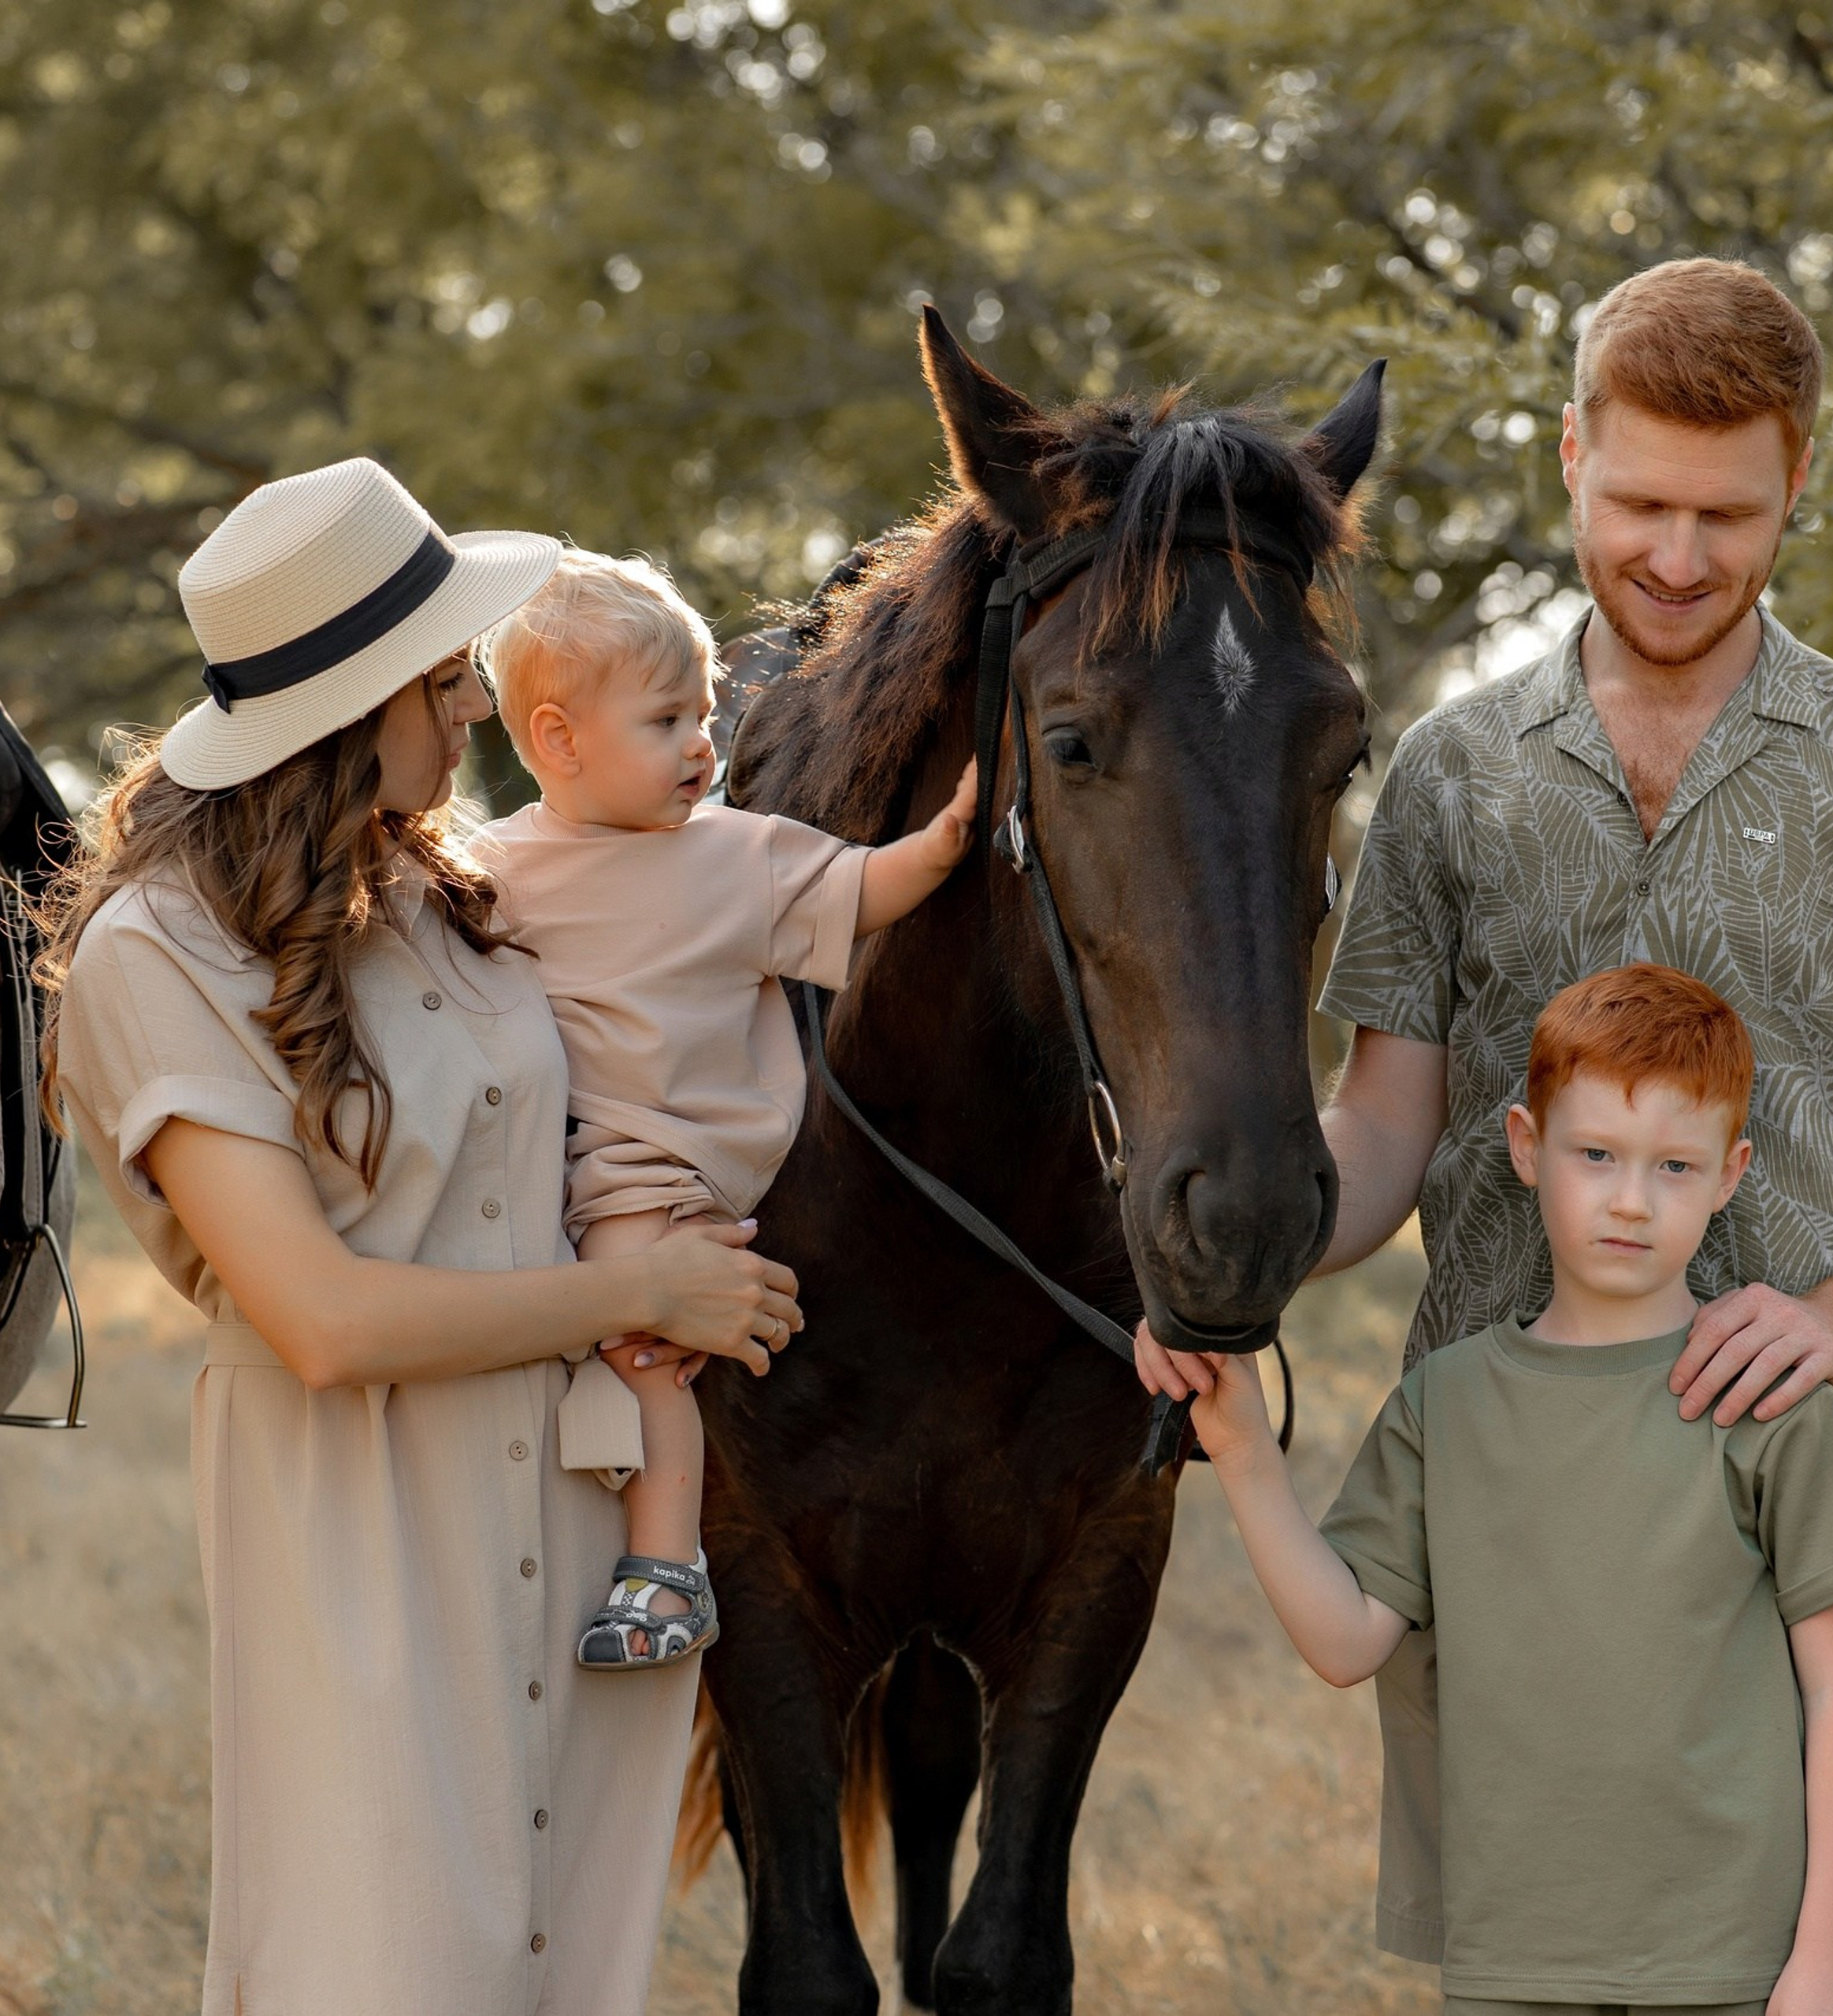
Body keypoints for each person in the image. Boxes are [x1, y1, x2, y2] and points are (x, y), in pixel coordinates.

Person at [39, 458, 804, 2016]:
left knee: (565, 1965)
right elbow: (320, 1316)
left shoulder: (449, 889)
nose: (470, 711)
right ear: (354, 697)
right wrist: (643, 1284)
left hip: (584, 1524)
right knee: (385, 1961)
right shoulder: (155, 950)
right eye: (448, 676)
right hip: (367, 1533)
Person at [1143, 255, 1833, 1963]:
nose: (1677, 557)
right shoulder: (1450, 772)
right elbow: (1384, 1128)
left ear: (1796, 482)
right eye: (1641, 502)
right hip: (1509, 1501)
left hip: (1800, 1486)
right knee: (1534, 1955)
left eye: (1726, 515)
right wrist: (1225, 1247)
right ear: (1567, 458)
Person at [1158, 965, 1833, 2016]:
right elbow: (1346, 1644)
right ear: (1527, 1146)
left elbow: (1832, 1690)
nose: (1628, 1199)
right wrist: (1247, 1458)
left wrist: (1819, 1963)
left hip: (1733, 1965)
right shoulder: (1446, 1406)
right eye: (1596, 1153)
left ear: (1731, 1173)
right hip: (1514, 1962)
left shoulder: (1768, 1405)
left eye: (1674, 1166)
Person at [479, 547, 974, 1670]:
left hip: (666, 1172)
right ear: (558, 740)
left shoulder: (739, 857)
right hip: (544, 1166)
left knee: (647, 1347)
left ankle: (668, 1569)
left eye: (703, 714)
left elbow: (858, 891)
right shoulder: (493, 869)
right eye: (666, 722)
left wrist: (941, 844)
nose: (704, 742)